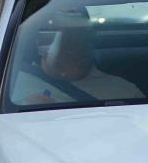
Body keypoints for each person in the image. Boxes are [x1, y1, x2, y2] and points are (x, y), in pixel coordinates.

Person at [12, 27, 141, 105]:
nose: (74, 50)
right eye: (65, 43)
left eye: (80, 40)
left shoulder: (124, 91)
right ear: (42, 47)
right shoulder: (10, 88)